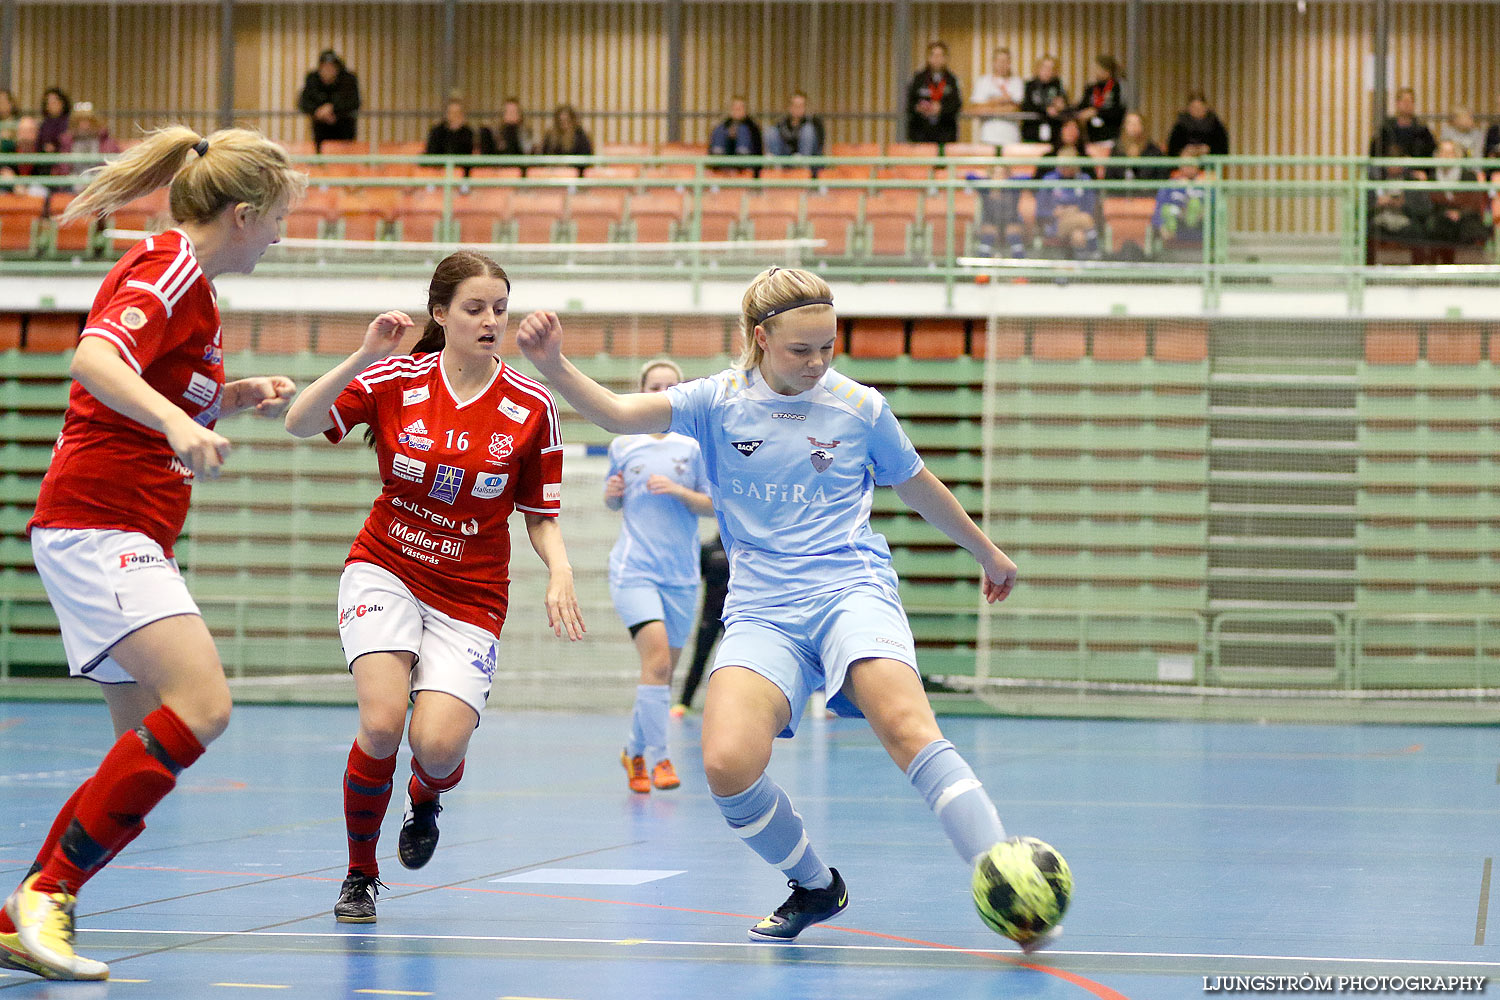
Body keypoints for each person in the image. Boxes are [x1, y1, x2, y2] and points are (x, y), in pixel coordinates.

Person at [515, 268, 1048, 951]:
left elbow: (919, 487)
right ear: (761, 339)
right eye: (801, 349)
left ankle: (1001, 873)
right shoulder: (716, 401)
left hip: (849, 590)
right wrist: (553, 364)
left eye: (828, 345)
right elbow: (619, 414)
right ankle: (815, 884)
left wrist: (987, 552)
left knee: (907, 725)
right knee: (727, 764)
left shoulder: (860, 407)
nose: (818, 361)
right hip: (763, 609)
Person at [0, 126, 304, 982]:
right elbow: (96, 357)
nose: (280, 237)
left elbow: (152, 392)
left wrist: (222, 401)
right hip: (100, 524)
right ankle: (47, 896)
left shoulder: (198, 294)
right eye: (278, 219)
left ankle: (20, 911)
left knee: (145, 741)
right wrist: (176, 420)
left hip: (125, 527)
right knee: (203, 703)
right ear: (242, 216)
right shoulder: (166, 266)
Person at [283, 249, 583, 924]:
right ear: (440, 313)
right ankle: (360, 874)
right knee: (384, 722)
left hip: (472, 591)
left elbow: (541, 516)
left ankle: (426, 797)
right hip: (386, 565)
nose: (491, 321)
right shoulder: (394, 377)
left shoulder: (532, 404)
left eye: (500, 309)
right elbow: (300, 421)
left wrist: (560, 570)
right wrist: (361, 356)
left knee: (438, 745)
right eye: (475, 308)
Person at [603, 358, 712, 793]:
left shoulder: (694, 446)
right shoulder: (624, 444)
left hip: (682, 576)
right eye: (655, 385)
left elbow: (712, 504)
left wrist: (682, 492)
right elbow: (614, 501)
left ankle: (633, 751)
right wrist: (611, 495)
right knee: (658, 662)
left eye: (671, 385)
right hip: (635, 571)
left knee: (660, 674)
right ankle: (661, 758)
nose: (663, 390)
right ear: (642, 390)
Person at [673, 534, 729, 716]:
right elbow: (693, 577)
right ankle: (684, 702)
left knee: (732, 662)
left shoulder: (743, 546)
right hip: (710, 614)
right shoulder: (708, 549)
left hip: (735, 616)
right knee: (699, 658)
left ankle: (731, 705)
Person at [1037, 145, 1100, 259]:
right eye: (1061, 165)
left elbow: (1090, 208)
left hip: (1079, 225)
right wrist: (1055, 212)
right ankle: (1095, 253)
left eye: (1068, 165)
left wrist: (1074, 211)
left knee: (1078, 236)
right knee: (1085, 219)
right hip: (1055, 225)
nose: (1063, 168)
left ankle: (1079, 272)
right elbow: (1040, 211)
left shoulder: (1084, 179)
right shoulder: (1049, 180)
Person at [297, 49, 361, 152]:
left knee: (344, 162)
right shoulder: (313, 79)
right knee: (319, 162)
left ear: (337, 68)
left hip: (344, 131)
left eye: (331, 67)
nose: (328, 70)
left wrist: (332, 109)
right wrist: (318, 112)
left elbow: (354, 102)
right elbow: (303, 102)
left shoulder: (348, 79)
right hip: (320, 133)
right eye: (325, 67)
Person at [906, 41, 962, 145]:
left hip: (945, 134)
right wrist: (919, 108)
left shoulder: (952, 80)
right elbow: (909, 104)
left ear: (946, 58)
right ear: (928, 57)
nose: (937, 59)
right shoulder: (918, 79)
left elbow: (957, 104)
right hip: (920, 134)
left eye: (940, 55)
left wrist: (941, 108)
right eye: (933, 55)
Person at [969, 47, 1025, 150]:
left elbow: (1014, 109)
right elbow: (976, 109)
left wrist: (988, 106)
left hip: (1011, 138)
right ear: (993, 62)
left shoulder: (1017, 82)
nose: (1002, 64)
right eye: (999, 60)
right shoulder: (983, 81)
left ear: (1010, 63)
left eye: (1005, 61)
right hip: (988, 137)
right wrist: (1000, 101)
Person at [1074, 55, 1127, 146]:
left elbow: (1120, 110)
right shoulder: (1091, 88)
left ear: (1108, 70)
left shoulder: (1118, 87)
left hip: (1112, 137)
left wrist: (1096, 112)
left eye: (1099, 68)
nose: (1096, 72)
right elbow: (1081, 107)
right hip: (1091, 138)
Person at [1370, 87, 1435, 160]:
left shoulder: (1422, 131)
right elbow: (1375, 153)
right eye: (1404, 101)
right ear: (1397, 103)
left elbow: (1431, 154)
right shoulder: (1386, 129)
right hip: (1389, 169)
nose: (1407, 105)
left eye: (1410, 101)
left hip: (1416, 169)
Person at [426, 96, 497, 160]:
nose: (454, 116)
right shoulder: (437, 132)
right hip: (440, 169)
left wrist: (456, 131)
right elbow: (432, 152)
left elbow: (467, 153)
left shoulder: (468, 132)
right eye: (452, 113)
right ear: (447, 114)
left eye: (457, 113)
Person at [1105, 112, 1169, 183]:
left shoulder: (1154, 151)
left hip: (1147, 192)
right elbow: (1109, 177)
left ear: (1143, 127)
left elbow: (1162, 177)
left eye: (1137, 123)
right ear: (1124, 127)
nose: (1133, 127)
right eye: (1130, 123)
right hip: (1120, 193)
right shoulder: (1116, 150)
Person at [1166, 92, 1230, 158]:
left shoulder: (1216, 126)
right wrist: (1185, 150)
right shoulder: (1180, 126)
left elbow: (1223, 150)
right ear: (1188, 108)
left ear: (1206, 107)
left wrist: (1209, 150)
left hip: (1210, 164)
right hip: (1185, 163)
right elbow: (1172, 150)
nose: (1197, 111)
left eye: (1199, 108)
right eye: (1194, 108)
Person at [1020, 55, 1067, 144]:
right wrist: (1046, 110)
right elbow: (1026, 106)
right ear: (1038, 69)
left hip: (1054, 134)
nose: (1047, 71)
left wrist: (1061, 106)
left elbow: (1066, 106)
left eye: (1051, 68)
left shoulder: (1058, 85)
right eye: (1044, 67)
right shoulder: (1030, 85)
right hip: (1032, 132)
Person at [764, 92, 825, 158]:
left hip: (809, 157)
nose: (797, 109)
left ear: (805, 107)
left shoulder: (814, 123)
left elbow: (819, 146)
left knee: (808, 130)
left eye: (801, 106)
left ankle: (804, 165)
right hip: (787, 157)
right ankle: (776, 165)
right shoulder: (782, 123)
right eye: (795, 105)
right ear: (789, 107)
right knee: (771, 131)